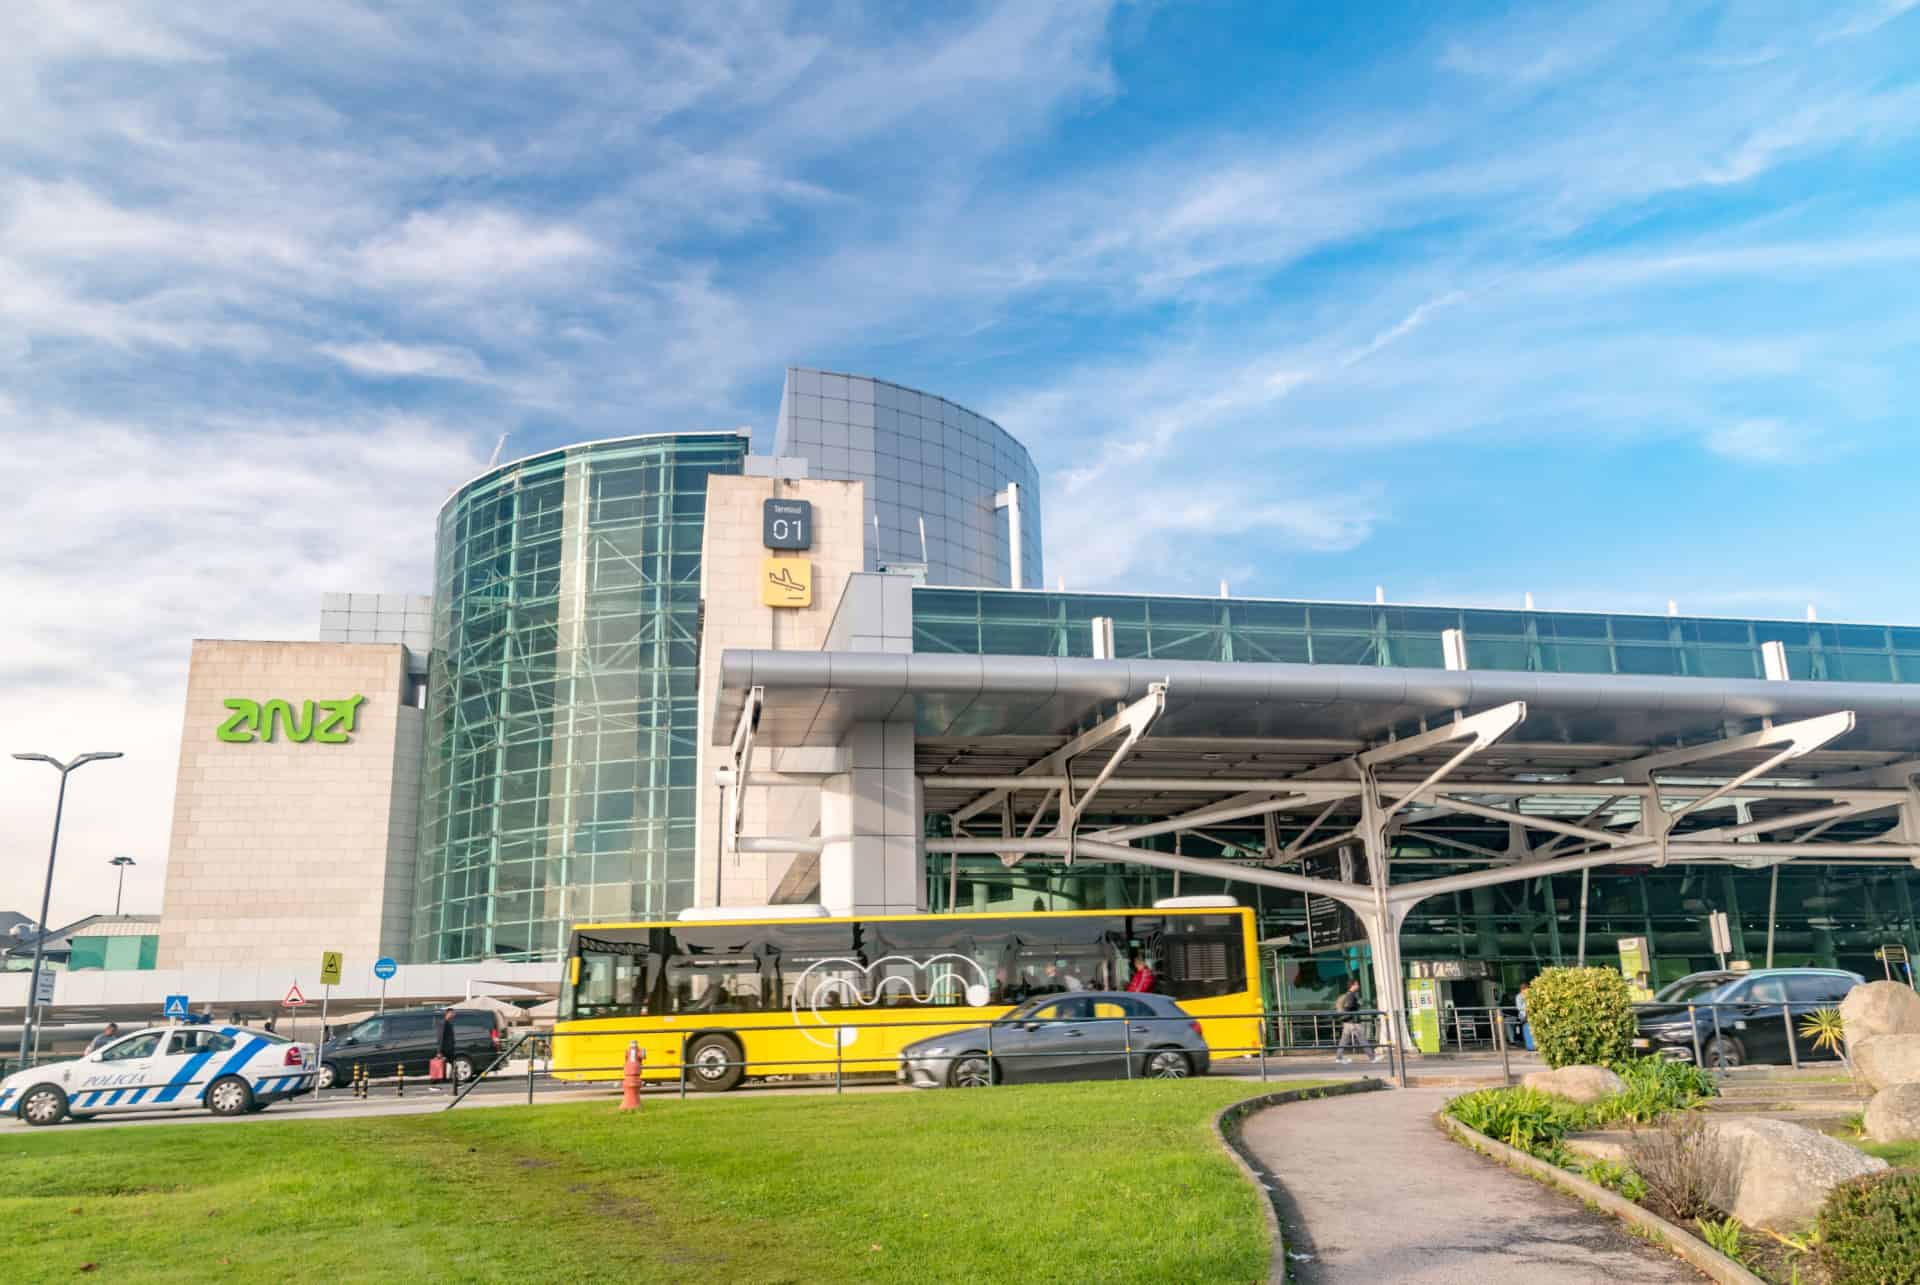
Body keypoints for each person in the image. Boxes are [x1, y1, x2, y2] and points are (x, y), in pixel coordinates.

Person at [1333, 978, 1376, 1064]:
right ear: (1353, 985)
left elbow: (1347, 1007)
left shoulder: (1349, 994)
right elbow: (1348, 1007)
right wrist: (1356, 1006)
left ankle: (1338, 1057)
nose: (1358, 986)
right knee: (1362, 1039)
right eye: (1357, 984)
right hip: (1353, 1022)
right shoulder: (1351, 995)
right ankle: (1372, 1058)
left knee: (1343, 1040)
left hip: (1348, 1022)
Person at [434, 1008, 459, 1092]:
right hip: (445, 1049)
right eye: (453, 1013)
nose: (454, 1015)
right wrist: (439, 1051)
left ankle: (454, 1082)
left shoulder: (449, 1023)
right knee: (439, 1066)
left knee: (453, 1065)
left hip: (449, 1049)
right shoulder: (444, 1023)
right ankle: (435, 1084)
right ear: (448, 1013)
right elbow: (441, 1037)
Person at [1516, 983, 1536, 1052]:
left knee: (1531, 1030)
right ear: (1522, 989)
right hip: (1524, 1016)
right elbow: (1519, 1007)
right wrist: (1527, 1006)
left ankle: (1533, 1045)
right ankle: (1529, 1046)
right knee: (1526, 1030)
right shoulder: (1519, 997)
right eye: (1525, 989)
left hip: (1530, 1015)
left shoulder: (1530, 995)